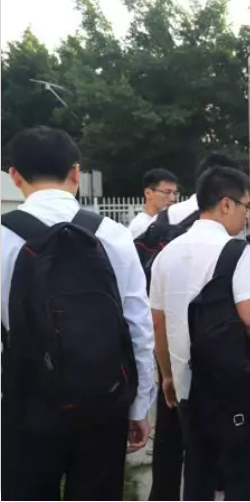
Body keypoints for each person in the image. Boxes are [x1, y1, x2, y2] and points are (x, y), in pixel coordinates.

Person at [0, 126, 155, 500]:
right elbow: (138, 326)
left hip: (26, 401)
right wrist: (138, 406)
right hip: (103, 399)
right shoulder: (114, 235)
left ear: (14, 176)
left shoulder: (4, 237)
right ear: (76, 173)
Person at [150, 165, 250, 501]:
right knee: (243, 481)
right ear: (226, 204)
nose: (247, 215)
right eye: (246, 206)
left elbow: (159, 325)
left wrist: (168, 377)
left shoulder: (166, 255)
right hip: (235, 389)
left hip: (188, 389)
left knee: (198, 475)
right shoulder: (236, 251)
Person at [128, 168, 179, 238]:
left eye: (175, 193)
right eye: (167, 192)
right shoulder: (141, 227)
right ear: (148, 193)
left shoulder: (171, 222)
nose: (172, 198)